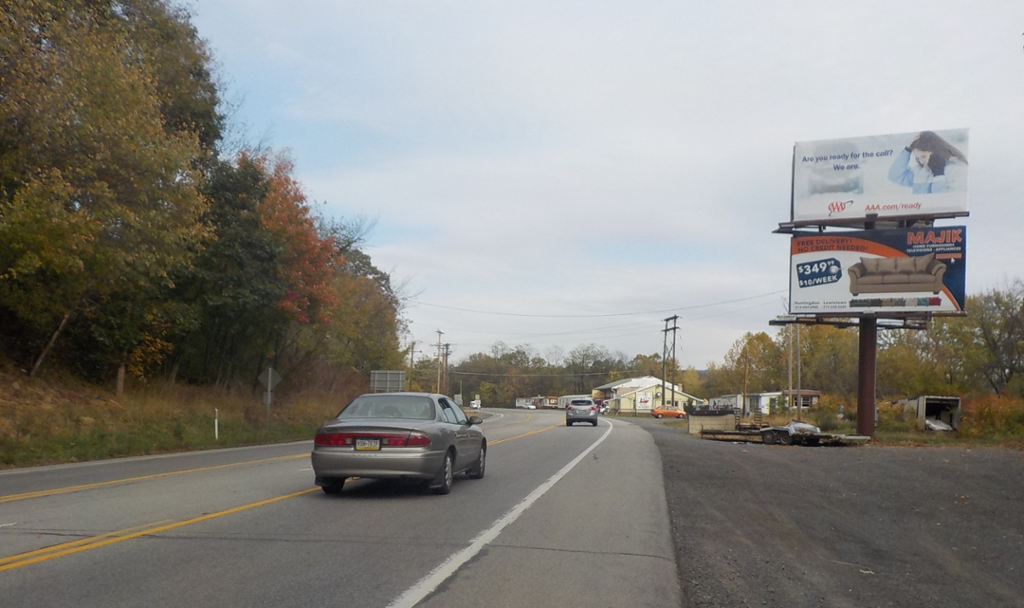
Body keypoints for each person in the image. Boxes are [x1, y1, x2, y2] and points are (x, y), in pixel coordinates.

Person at [888, 131, 968, 193]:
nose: (921, 162)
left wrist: (938, 175)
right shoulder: (920, 171)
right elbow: (895, 176)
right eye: (917, 158)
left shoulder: (956, 169)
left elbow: (942, 203)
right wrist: (907, 150)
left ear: (936, 151)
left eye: (923, 156)